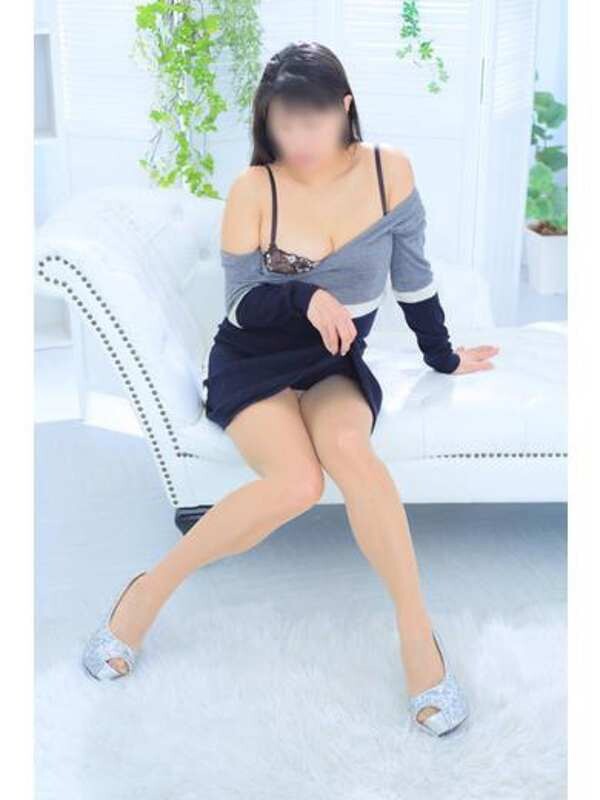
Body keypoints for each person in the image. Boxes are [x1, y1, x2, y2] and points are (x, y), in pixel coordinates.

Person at [83, 41, 499, 737]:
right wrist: (305, 295)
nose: (299, 138)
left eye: (313, 120)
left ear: (345, 108)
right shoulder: (257, 188)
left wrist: (443, 356)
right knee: (297, 483)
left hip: (333, 363)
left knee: (353, 454)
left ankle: (416, 636)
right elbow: (241, 303)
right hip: (254, 358)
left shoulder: (390, 172)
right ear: (266, 121)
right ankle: (147, 593)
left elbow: (414, 280)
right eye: (283, 123)